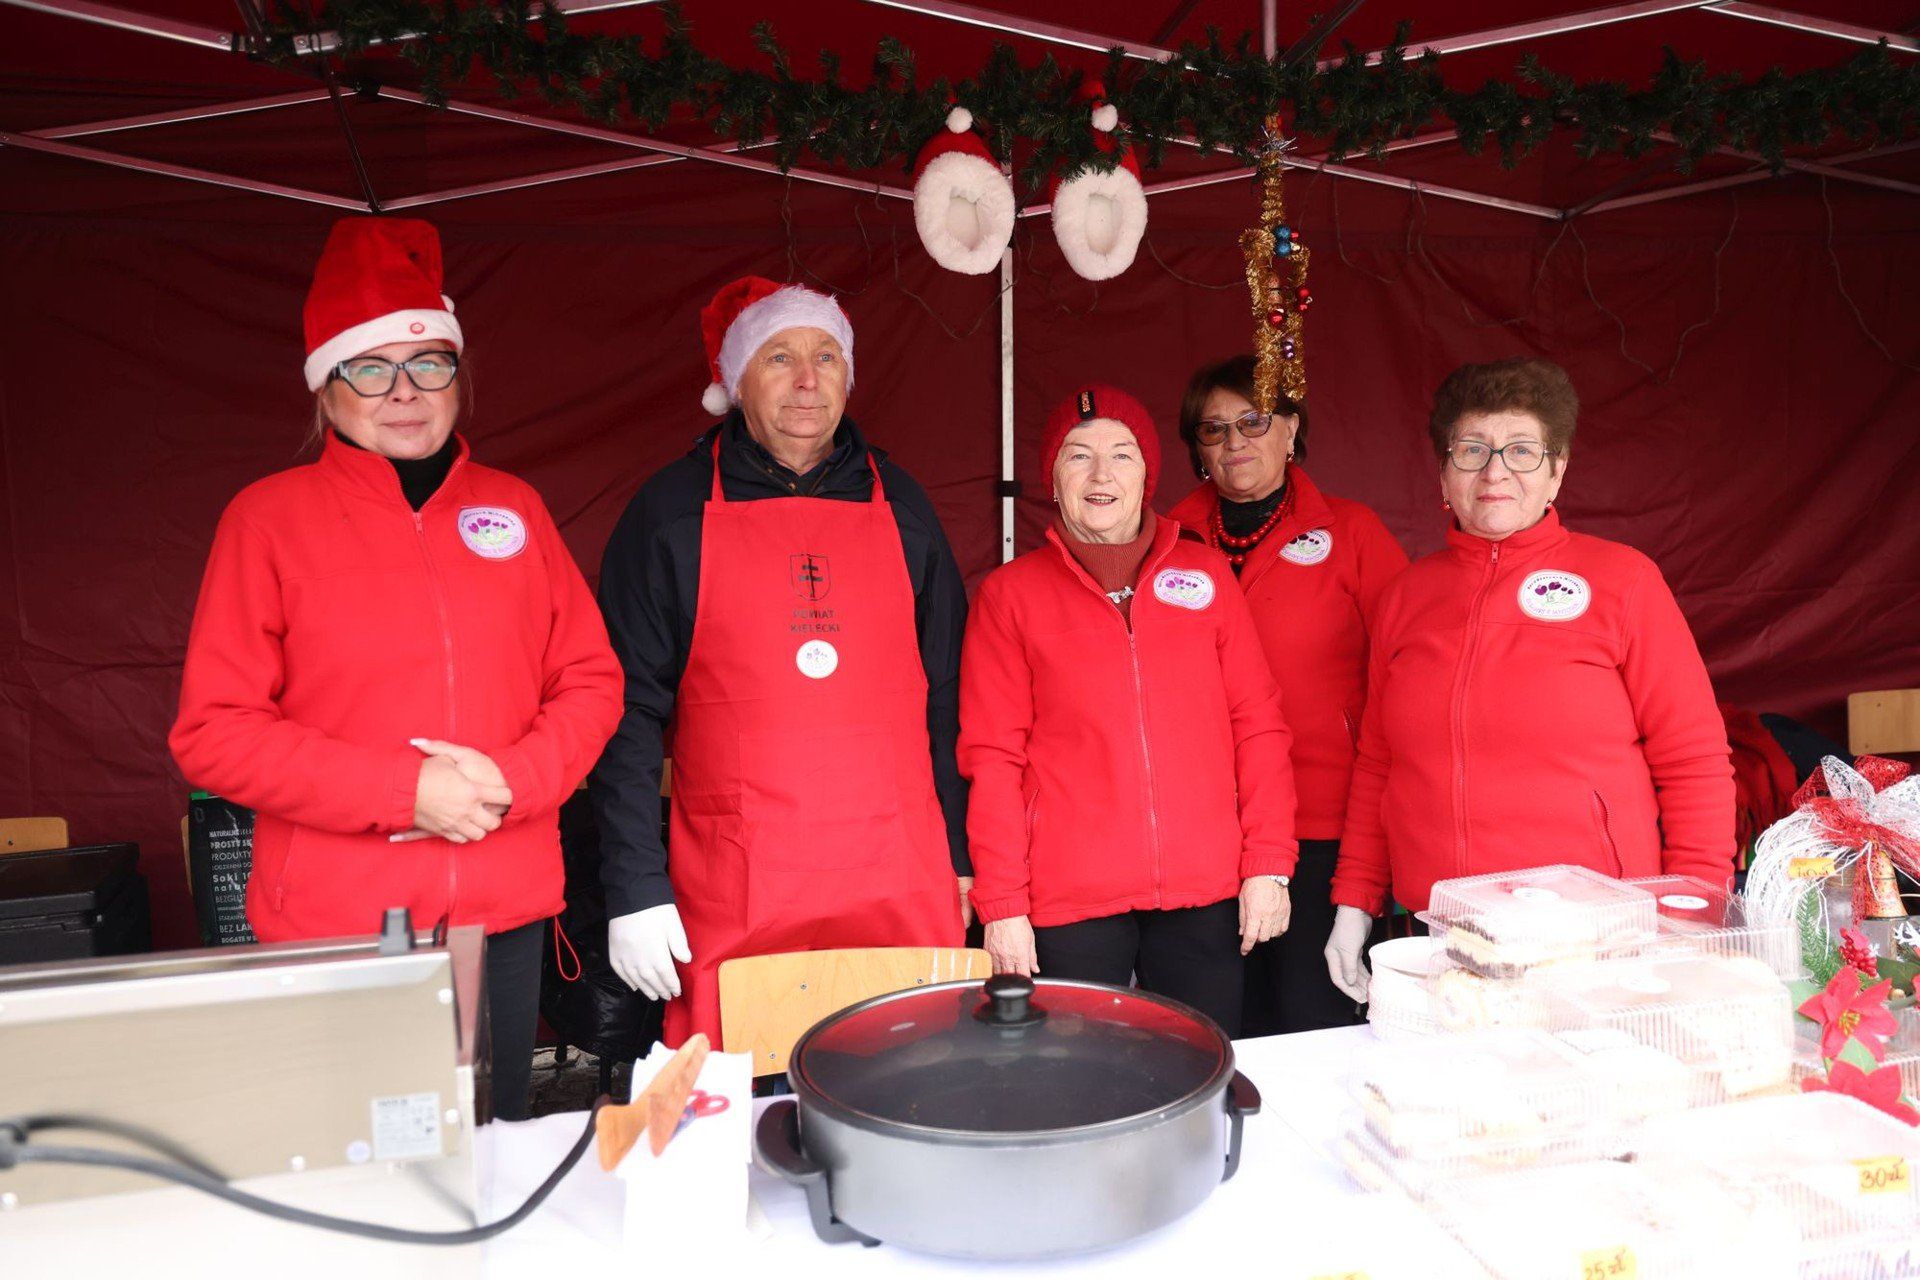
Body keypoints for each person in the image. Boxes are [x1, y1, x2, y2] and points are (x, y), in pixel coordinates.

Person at [171, 217, 624, 1120]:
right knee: (358, 1167)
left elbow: (591, 679)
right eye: (370, 368)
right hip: (340, 923)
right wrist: (403, 790)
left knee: (486, 1149)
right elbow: (212, 733)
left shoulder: (514, 509)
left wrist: (519, 776)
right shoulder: (266, 520)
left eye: (429, 364)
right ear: (327, 387)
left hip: (499, 915)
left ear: (459, 377)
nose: (404, 392)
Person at [592, 276, 970, 1046]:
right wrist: (633, 886)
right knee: (741, 1125)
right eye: (780, 358)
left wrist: (965, 856)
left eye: (827, 356)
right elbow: (623, 710)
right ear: (736, 382)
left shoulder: (905, 507)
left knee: (910, 1092)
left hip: (899, 876)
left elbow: (952, 698)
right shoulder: (669, 514)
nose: (807, 380)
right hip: (739, 882)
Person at [1325, 357, 1734, 1000]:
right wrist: (1354, 901)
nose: (1495, 471)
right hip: (1443, 936)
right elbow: (1380, 763)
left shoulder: (1623, 582)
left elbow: (1694, 760)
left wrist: (1689, 910)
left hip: (1594, 937)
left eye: (1521, 450)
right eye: (1472, 450)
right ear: (1442, 471)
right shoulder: (1406, 596)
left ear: (1556, 470)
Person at [959, 384, 1297, 1036]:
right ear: (1052, 481)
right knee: (1079, 1089)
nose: (1101, 474)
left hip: (1205, 888)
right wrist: (1002, 905)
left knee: (1201, 1069)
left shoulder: (1207, 577)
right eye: (1077, 456)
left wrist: (1268, 866)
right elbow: (992, 758)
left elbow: (1257, 725)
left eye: (1122, 454)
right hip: (1069, 900)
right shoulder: (1010, 597)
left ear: (1148, 475)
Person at [1168, 356, 1408, 1034]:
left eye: (1253, 421)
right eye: (1212, 430)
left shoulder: (1353, 534)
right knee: (1214, 1031)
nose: (1234, 441)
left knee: (1314, 1022)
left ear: (1291, 428)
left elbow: (1407, 671)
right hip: (1203, 830)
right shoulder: (1165, 540)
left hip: (1324, 824)